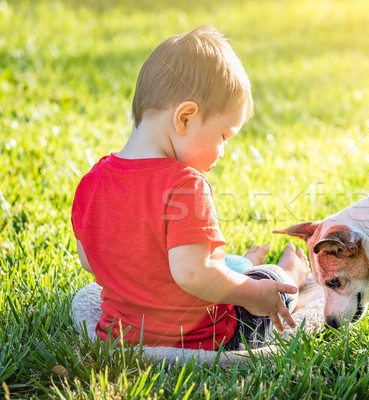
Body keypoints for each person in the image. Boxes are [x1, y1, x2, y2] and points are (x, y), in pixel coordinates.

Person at [71, 25, 309, 351]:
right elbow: (194, 275)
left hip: (123, 334)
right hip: (205, 338)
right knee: (268, 285)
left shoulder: (92, 181)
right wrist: (256, 293)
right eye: (223, 136)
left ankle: (238, 266)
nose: (223, 151)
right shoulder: (186, 184)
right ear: (185, 118)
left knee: (224, 269)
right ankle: (290, 274)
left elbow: (89, 261)